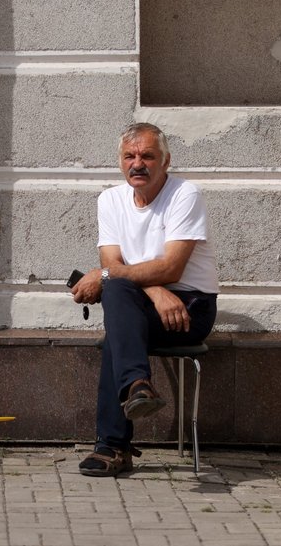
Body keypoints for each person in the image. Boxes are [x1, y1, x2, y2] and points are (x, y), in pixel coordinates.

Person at [70, 122, 219, 477]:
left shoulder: (185, 195)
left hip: (189, 309)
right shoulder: (110, 199)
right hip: (141, 302)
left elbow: (172, 266)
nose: (138, 163)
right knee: (117, 295)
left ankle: (112, 447)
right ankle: (138, 386)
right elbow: (111, 264)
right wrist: (153, 290)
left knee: (116, 320)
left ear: (165, 162)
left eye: (148, 156)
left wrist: (118, 278)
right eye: (130, 156)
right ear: (121, 162)